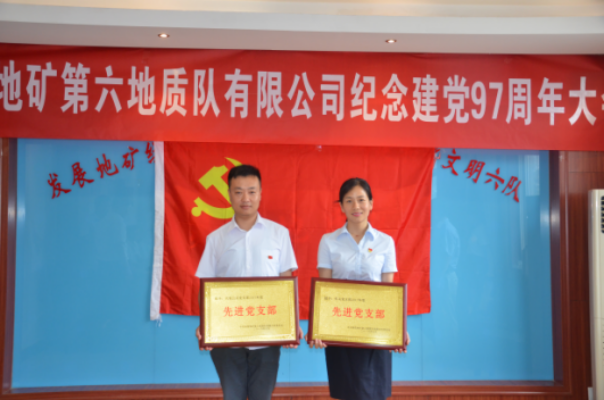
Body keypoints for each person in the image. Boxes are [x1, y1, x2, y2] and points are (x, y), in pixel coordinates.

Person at [194, 164, 303, 400]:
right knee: (232, 396)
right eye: (238, 192)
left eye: (252, 191)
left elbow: (286, 282)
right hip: (227, 337)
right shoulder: (216, 239)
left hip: (267, 335)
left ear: (261, 194)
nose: (246, 198)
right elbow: (206, 286)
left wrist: (291, 323)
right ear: (229, 194)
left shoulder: (279, 234)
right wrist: (205, 323)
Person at [308, 177, 410, 400]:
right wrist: (319, 329)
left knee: (373, 391)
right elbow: (325, 290)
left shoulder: (385, 242)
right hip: (340, 328)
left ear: (371, 203)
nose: (356, 206)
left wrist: (398, 328)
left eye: (361, 200)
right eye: (349, 200)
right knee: (345, 391)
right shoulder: (328, 241)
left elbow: (389, 290)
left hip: (375, 328)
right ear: (341, 206)